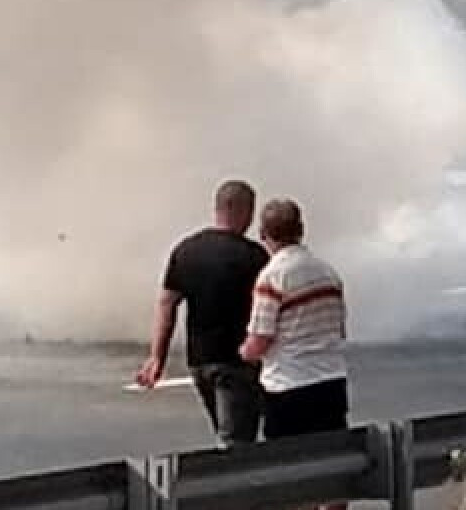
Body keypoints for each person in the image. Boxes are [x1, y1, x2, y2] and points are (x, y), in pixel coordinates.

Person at [136, 179, 270, 449]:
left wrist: (156, 357)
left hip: (200, 362)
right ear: (242, 210)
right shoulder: (254, 256)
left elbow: (167, 304)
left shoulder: (186, 251)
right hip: (238, 362)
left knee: (226, 431)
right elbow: (272, 308)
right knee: (237, 441)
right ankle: (228, 488)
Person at [242, 198, 350, 447]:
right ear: (301, 230)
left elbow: (261, 339)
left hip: (288, 387)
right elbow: (339, 329)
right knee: (331, 457)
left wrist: (243, 353)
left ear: (262, 234)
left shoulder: (272, 277)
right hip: (331, 382)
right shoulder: (328, 273)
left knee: (289, 465)